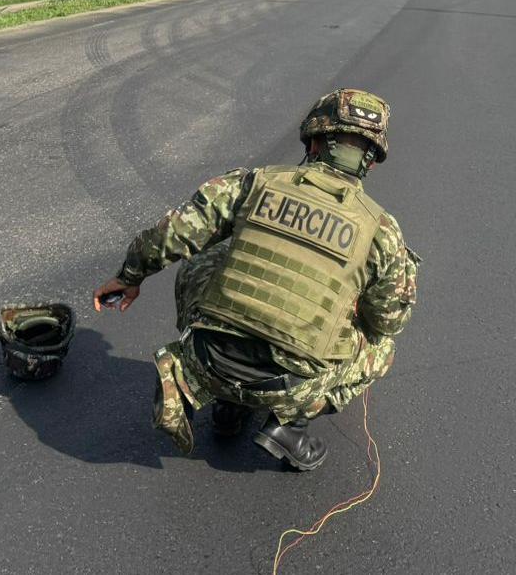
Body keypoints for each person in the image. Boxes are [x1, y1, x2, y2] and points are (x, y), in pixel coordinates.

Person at [93, 89, 421, 471]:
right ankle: (291, 426)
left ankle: (222, 399)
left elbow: (174, 232)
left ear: (314, 141)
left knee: (205, 260)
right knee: (382, 347)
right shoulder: (382, 232)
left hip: (208, 358)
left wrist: (129, 276)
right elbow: (386, 322)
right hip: (289, 387)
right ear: (372, 161)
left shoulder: (255, 183)